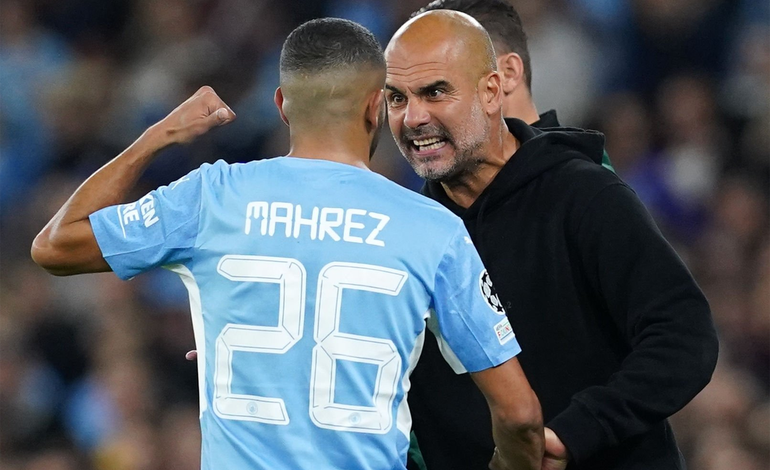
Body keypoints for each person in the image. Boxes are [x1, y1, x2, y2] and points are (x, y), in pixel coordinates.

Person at [30, 18, 544, 470]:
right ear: (375, 107)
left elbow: (55, 245)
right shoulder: (432, 228)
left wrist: (158, 134)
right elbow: (520, 416)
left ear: (281, 105)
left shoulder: (212, 198)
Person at [385, 10, 719, 470]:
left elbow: (684, 337)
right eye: (396, 98)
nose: (413, 117)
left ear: (491, 91)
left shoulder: (583, 195)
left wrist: (574, 434)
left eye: (435, 92)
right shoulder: (401, 239)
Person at [415, 0, 614, 172]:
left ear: (508, 73)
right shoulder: (446, 186)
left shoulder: (586, 181)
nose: (416, 117)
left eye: (438, 89)